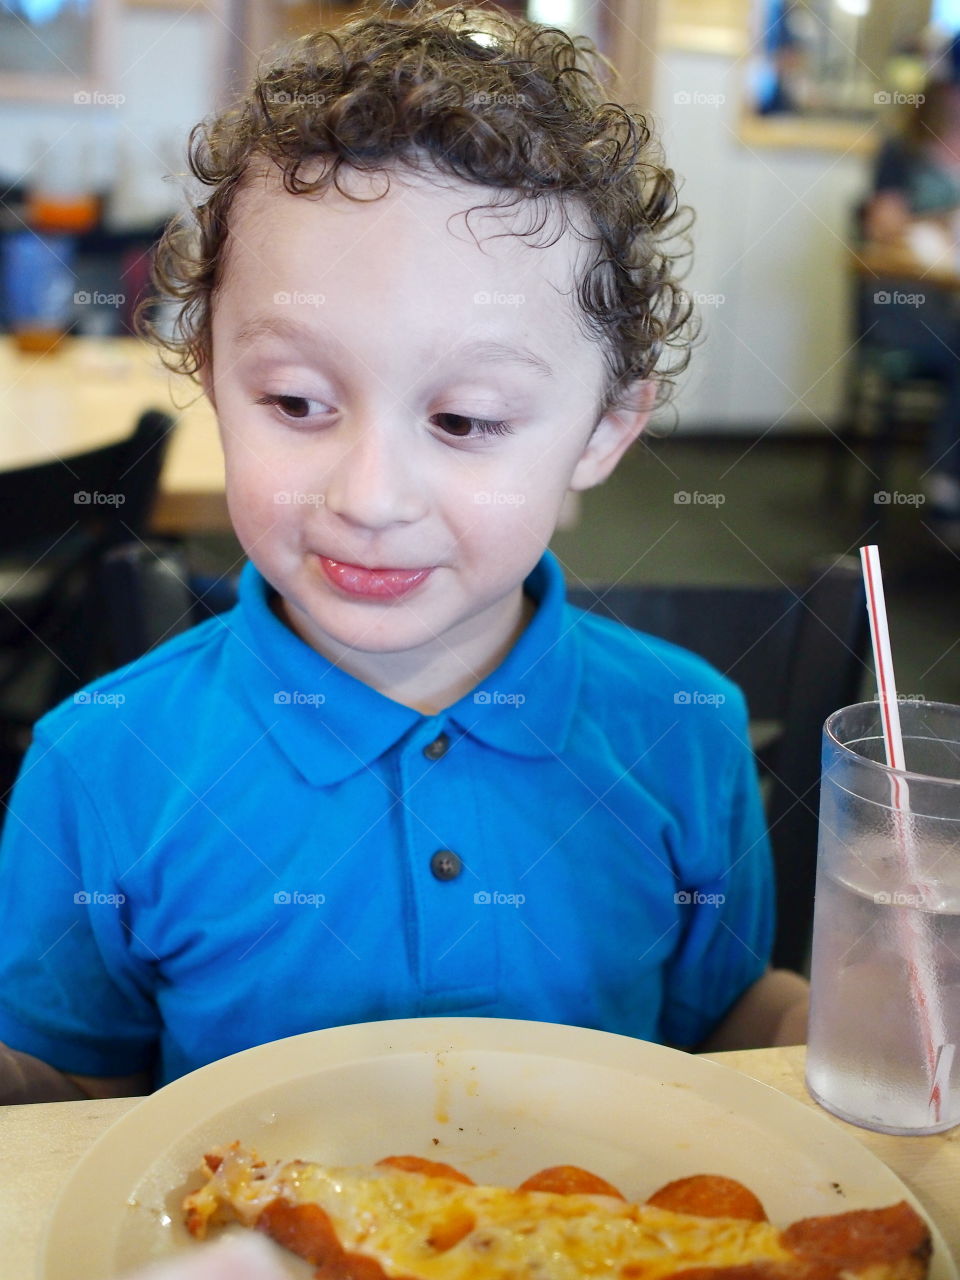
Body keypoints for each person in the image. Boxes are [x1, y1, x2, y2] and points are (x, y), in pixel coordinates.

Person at [0, 0, 808, 1106]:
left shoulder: (688, 730)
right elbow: (75, 1094)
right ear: (206, 374)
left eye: (466, 420)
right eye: (294, 399)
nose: (369, 497)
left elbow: (721, 1021)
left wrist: (838, 1014)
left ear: (608, 426)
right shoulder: (98, 759)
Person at [862, 79, 960, 541]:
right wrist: (944, 221)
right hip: (904, 301)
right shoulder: (900, 154)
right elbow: (883, 226)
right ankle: (945, 485)